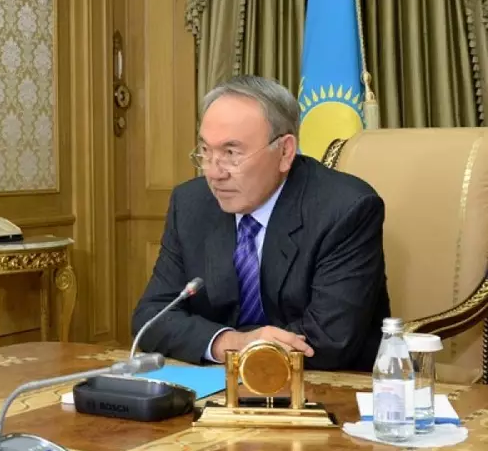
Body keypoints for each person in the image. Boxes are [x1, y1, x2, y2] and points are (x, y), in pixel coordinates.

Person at [131, 75, 390, 371]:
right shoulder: (191, 204)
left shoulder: (344, 209)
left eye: (231, 153)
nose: (214, 173)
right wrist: (229, 343)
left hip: (323, 385)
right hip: (217, 382)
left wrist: (250, 347)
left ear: (285, 151)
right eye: (206, 151)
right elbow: (151, 318)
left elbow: (330, 340)